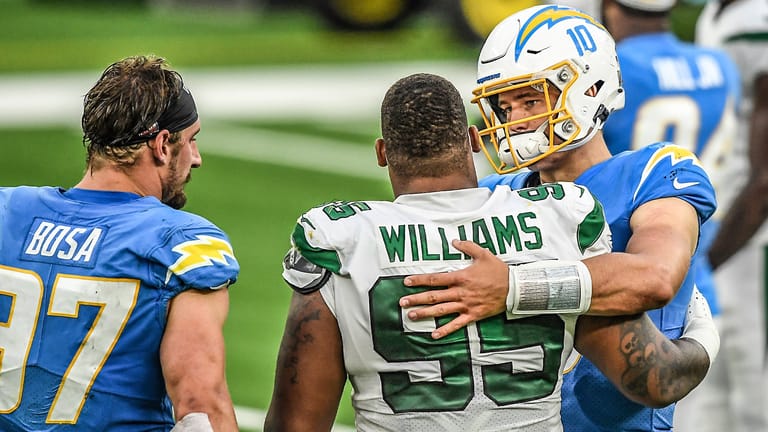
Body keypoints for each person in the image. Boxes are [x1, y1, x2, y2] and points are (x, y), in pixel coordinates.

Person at [263, 72, 718, 431]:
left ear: (383, 153)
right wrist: (702, 336)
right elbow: (656, 379)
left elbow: (296, 424)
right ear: (473, 140)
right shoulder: (557, 221)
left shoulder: (342, 239)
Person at [396, 5, 718, 432]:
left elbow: (655, 277)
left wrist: (513, 287)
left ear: (591, 88)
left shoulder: (652, 174)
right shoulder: (493, 193)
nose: (515, 120)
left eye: (530, 99)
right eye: (504, 106)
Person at [0, 55, 239, 431]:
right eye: (191, 141)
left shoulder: (5, 210)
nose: (196, 158)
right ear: (161, 145)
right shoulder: (183, 243)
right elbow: (199, 407)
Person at [675, 1, 768, 430]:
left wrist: (707, 260)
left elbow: (764, 178)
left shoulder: (754, 20)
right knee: (710, 394)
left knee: (756, 396)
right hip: (721, 228)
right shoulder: (718, 13)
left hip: (751, 237)